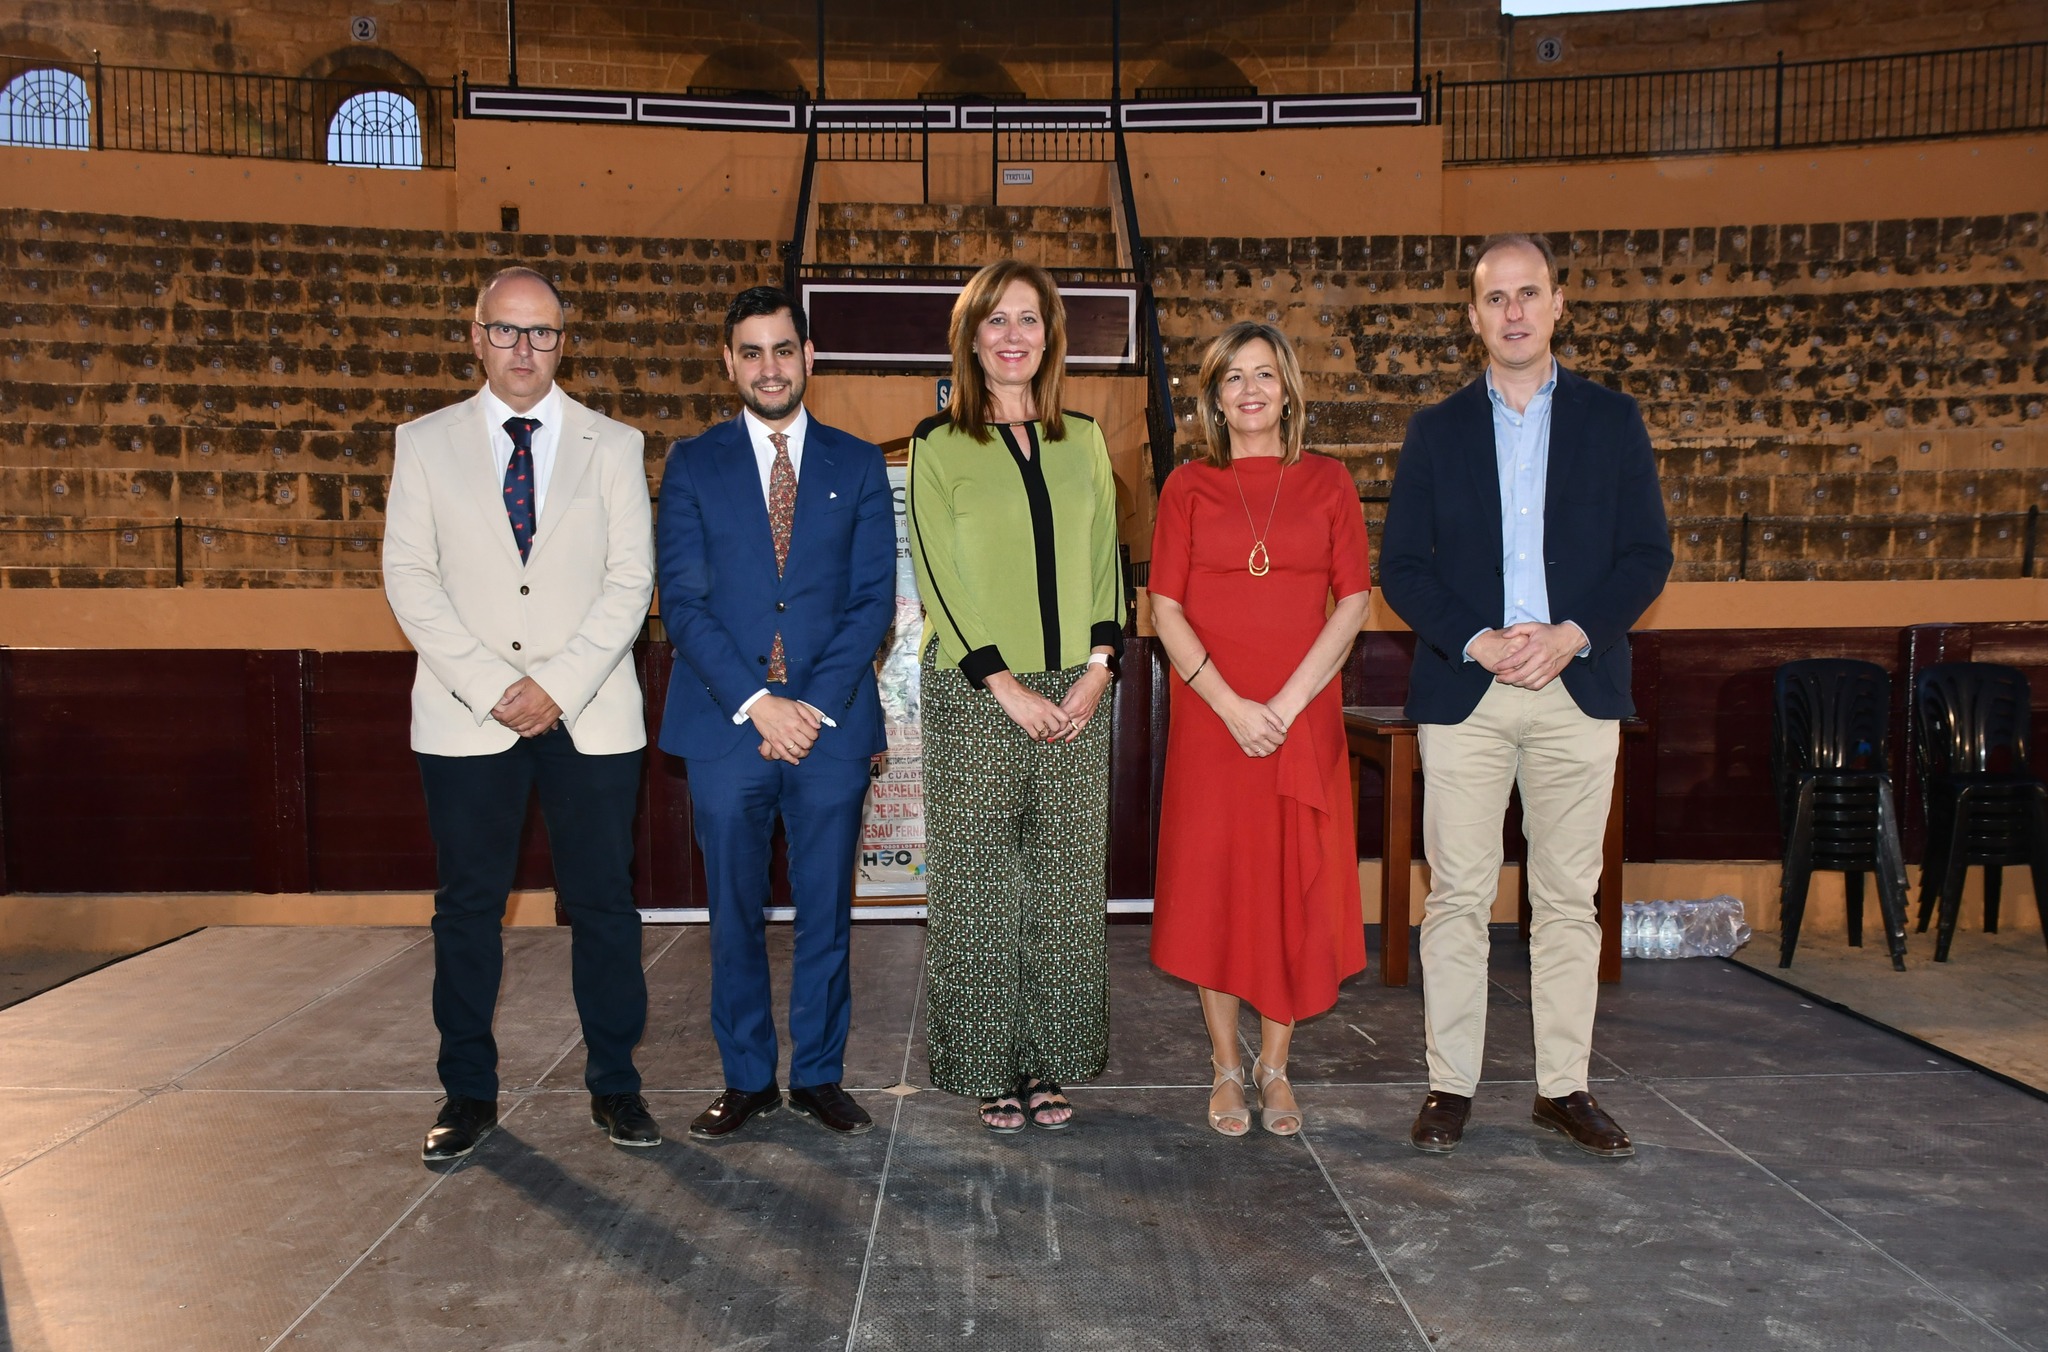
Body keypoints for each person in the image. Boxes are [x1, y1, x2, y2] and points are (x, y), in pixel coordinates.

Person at [1379, 233, 1672, 1159]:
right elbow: (1402, 568)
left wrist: (1570, 634)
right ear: (1473, 316)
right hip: (1466, 690)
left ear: (1557, 306)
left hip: (1576, 688)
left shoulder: (1612, 421)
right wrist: (1478, 640)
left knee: (1569, 900)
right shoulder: (1436, 430)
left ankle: (1564, 1089)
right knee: (1458, 898)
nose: (1513, 311)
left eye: (1528, 293)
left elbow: (1647, 556)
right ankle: (1449, 1086)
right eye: (1496, 297)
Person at [383, 265, 659, 1163]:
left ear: (562, 342)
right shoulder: (423, 443)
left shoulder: (615, 444)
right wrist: (494, 686)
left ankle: (615, 1086)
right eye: (506, 330)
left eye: (541, 332)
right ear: (476, 336)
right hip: (468, 717)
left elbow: (631, 582)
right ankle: (467, 1093)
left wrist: (558, 686)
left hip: (590, 713)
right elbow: (409, 579)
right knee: (468, 909)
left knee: (604, 905)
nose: (524, 349)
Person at [655, 286, 896, 1141]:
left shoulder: (857, 464)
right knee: (734, 916)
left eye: (783, 349)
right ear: (729, 362)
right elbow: (683, 603)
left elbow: (872, 602)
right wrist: (761, 705)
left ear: (809, 356)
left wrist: (810, 708)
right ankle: (748, 1079)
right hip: (727, 726)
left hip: (831, 727)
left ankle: (819, 1075)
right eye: (751, 352)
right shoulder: (693, 463)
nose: (769, 367)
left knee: (827, 912)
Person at [907, 259, 1125, 1134]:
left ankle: (1046, 1059)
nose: (1012, 335)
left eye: (1028, 319)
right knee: (980, 885)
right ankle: (986, 1064)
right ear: (970, 338)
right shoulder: (936, 443)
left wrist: (1100, 669)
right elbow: (938, 577)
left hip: (1079, 692)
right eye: (994, 319)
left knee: (1063, 887)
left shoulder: (1086, 440)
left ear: (1050, 336)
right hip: (975, 695)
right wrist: (1002, 684)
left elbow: (1107, 561)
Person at [1147, 322, 1372, 1138]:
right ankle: (1224, 1067)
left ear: (1288, 391)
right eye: (1233, 376)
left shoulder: (1329, 482)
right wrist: (1232, 705)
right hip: (1214, 724)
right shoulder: (1187, 487)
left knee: (1288, 888)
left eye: (1265, 374)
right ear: (1215, 397)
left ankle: (1276, 1068)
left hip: (1300, 721)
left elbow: (1355, 599)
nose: (1250, 389)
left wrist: (1287, 701)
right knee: (1217, 888)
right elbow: (1163, 606)